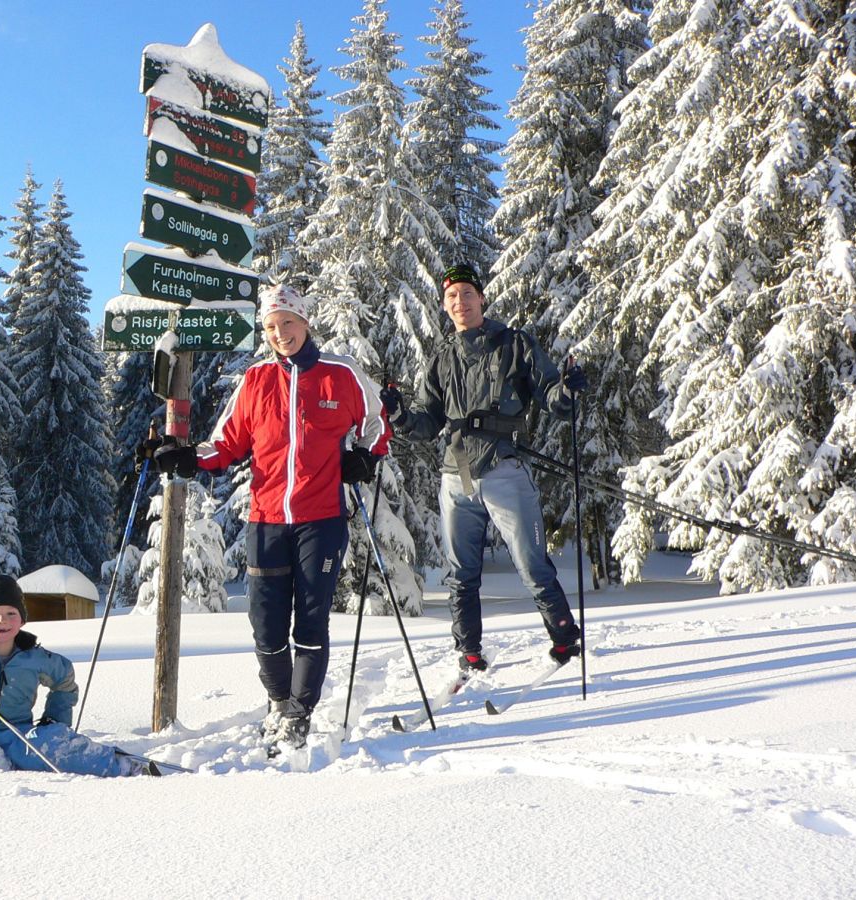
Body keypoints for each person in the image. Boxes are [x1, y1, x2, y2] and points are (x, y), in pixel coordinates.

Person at [149, 284, 389, 751]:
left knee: (312, 619)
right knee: (265, 621)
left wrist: (365, 456)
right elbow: (227, 443)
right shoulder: (257, 380)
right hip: (265, 519)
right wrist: (184, 457)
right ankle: (278, 701)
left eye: (288, 323)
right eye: (272, 327)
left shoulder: (340, 373)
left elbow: (376, 421)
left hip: (322, 520)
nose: (281, 333)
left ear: (305, 323)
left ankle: (299, 713)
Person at [381, 263, 587, 673]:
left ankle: (564, 637)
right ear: (445, 305)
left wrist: (565, 391)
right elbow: (427, 420)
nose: (460, 302)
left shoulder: (514, 343)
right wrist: (400, 415)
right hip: (455, 476)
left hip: (504, 469)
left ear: (481, 298)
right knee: (462, 572)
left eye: (467, 293)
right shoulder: (443, 357)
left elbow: (549, 395)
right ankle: (469, 652)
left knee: (531, 564)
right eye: (452, 296)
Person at [0, 573, 154, 776]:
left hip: (18, 739)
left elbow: (64, 679)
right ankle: (1, 769)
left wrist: (55, 720)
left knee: (50, 742)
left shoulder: (34, 658)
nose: (2, 620)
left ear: (22, 620)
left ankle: (119, 765)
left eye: (11, 613)